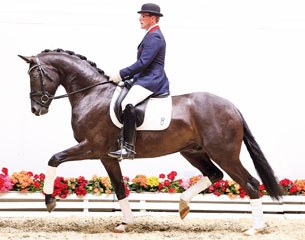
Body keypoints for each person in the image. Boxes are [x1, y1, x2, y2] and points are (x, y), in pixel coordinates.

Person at [108, 3, 170, 159]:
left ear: (153, 18)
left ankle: (128, 148)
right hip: (144, 77)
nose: (139, 19)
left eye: (143, 16)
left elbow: (143, 63)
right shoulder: (150, 34)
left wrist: (121, 74)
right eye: (141, 16)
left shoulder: (155, 36)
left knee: (126, 104)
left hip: (152, 80)